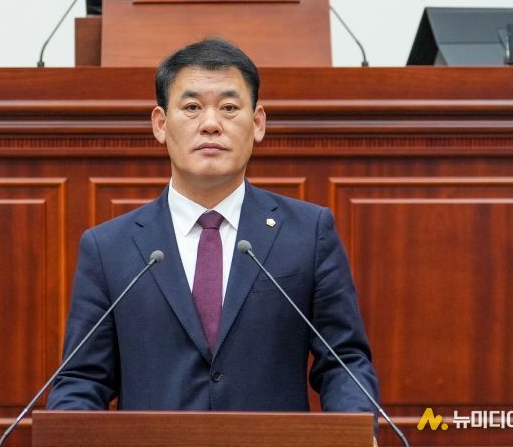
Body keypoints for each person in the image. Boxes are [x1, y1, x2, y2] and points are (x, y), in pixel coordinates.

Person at [47, 39, 379, 424]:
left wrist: (357, 430)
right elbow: (82, 379)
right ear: (160, 124)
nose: (210, 123)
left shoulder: (308, 233)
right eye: (191, 107)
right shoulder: (109, 247)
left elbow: (344, 361)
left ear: (257, 123)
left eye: (229, 108)